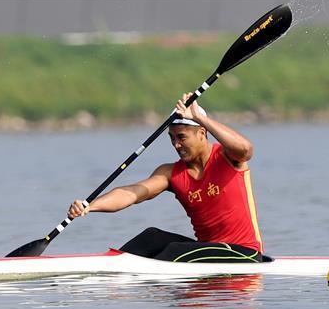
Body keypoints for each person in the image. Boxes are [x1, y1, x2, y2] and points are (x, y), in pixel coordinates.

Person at [68, 94, 269, 263]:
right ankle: (109, 268)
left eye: (181, 137)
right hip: (207, 251)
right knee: (152, 237)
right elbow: (133, 193)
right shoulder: (171, 173)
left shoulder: (227, 157)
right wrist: (90, 206)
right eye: (172, 138)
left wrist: (200, 117)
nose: (176, 145)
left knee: (174, 250)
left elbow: (246, 149)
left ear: (201, 133)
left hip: (244, 253)